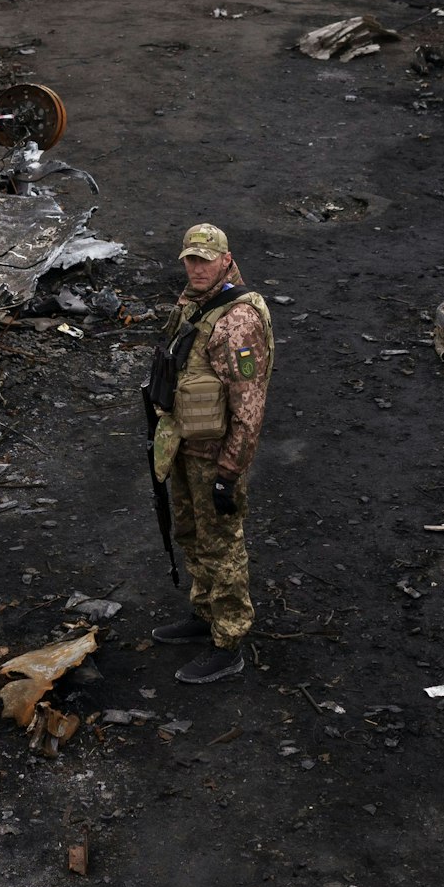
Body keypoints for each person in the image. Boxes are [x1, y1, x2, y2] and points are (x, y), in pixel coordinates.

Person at [146, 224, 274, 684]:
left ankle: (229, 640)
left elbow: (249, 407)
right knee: (190, 533)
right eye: (190, 259)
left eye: (205, 259)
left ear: (226, 260)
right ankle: (204, 613)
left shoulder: (238, 321)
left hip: (214, 456)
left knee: (222, 545)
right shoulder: (193, 304)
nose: (196, 268)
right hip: (185, 444)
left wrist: (229, 471)